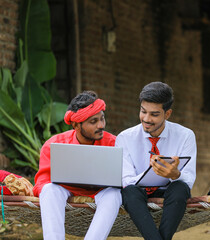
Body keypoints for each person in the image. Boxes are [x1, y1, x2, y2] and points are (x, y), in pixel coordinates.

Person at [33, 91, 122, 240]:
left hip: (102, 193)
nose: (101, 125)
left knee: (114, 194)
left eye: (102, 119)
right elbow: (41, 183)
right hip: (65, 190)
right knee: (49, 190)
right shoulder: (54, 145)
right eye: (93, 122)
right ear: (76, 124)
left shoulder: (115, 144)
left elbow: (126, 180)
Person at [115, 82, 197, 240]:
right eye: (143, 111)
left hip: (171, 192)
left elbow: (189, 179)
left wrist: (175, 174)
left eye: (154, 114)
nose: (146, 119)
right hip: (138, 194)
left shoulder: (186, 136)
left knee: (180, 187)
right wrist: (150, 175)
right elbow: (126, 180)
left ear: (167, 114)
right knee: (129, 191)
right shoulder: (125, 138)